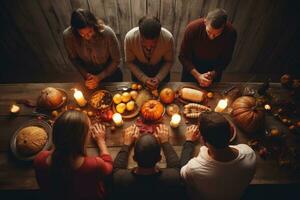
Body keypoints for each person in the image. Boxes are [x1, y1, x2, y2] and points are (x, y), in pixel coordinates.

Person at [34, 110, 113, 200]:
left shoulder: (40, 158)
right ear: (82, 138)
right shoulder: (94, 165)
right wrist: (101, 141)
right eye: (89, 129)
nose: (90, 130)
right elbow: (108, 167)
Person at [180, 112, 256, 200]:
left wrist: (189, 141)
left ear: (203, 141)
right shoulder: (249, 153)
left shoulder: (195, 168)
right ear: (231, 131)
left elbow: (182, 173)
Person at [112, 124, 186, 200]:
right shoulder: (173, 178)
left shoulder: (120, 178)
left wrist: (126, 144)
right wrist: (165, 142)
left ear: (134, 158)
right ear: (159, 158)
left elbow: (117, 168)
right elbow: (175, 166)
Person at [63, 8, 122, 90]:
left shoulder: (107, 33)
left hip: (110, 71)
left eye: (90, 32)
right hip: (89, 74)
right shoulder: (68, 36)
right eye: (82, 34)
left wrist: (99, 77)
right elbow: (74, 59)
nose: (87, 37)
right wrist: (87, 75)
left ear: (95, 25)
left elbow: (116, 60)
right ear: (75, 31)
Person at [179, 8, 237, 87]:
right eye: (209, 32)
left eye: (217, 34)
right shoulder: (192, 28)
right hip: (192, 67)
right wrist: (197, 75)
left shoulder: (231, 33)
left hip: (214, 69)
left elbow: (226, 58)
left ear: (224, 26)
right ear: (205, 21)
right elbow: (183, 56)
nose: (212, 37)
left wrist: (213, 73)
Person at [125, 16, 174, 90]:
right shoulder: (129, 38)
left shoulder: (168, 38)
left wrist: (158, 78)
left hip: (160, 70)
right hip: (139, 71)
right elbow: (129, 62)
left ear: (159, 36)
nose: (148, 48)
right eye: (144, 43)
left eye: (153, 44)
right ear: (140, 34)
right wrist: (143, 78)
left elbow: (169, 61)